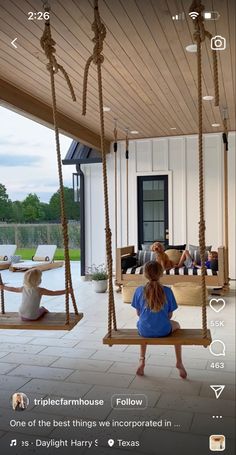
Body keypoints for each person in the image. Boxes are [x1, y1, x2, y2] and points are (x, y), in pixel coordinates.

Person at [131, 261, 187, 379]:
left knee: (142, 325)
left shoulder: (139, 290)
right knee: (177, 326)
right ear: (161, 274)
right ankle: (179, 362)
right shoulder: (167, 291)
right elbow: (169, 316)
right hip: (164, 330)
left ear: (145, 274)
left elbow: (138, 313)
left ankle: (141, 360)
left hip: (144, 331)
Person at [0, 268, 70, 321]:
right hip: (33, 316)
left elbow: (12, 289)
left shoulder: (23, 288)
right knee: (42, 308)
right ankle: (47, 314)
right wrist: (67, 291)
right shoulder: (40, 290)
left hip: (21, 314)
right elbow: (54, 293)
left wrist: (3, 287)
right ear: (39, 280)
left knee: (36, 309)